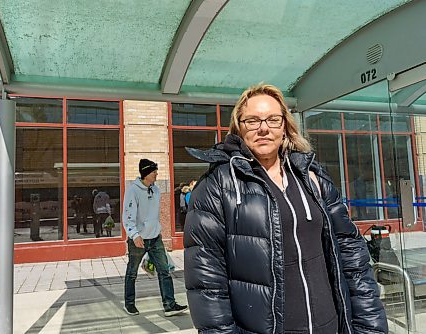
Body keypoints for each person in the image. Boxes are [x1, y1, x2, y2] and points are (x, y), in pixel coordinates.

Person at [184, 83, 387, 334]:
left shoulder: (311, 176)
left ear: (285, 126)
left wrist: (370, 326)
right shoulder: (217, 185)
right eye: (252, 121)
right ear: (238, 128)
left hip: (333, 325)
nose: (263, 128)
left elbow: (351, 254)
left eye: (273, 119)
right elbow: (206, 283)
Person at [122, 158, 188, 317]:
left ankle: (170, 305)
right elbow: (127, 216)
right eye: (154, 171)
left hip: (155, 238)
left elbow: (154, 214)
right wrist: (134, 235)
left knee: (164, 271)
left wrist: (157, 230)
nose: (157, 174)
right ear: (146, 174)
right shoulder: (133, 191)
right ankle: (129, 304)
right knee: (132, 272)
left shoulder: (156, 190)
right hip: (138, 239)